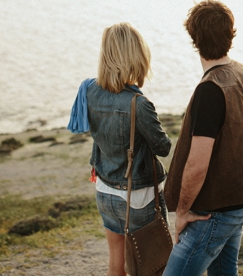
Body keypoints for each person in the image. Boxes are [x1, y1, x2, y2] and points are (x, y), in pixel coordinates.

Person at [163, 0, 243, 276]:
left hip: (214, 212)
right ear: (231, 35)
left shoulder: (210, 90)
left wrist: (182, 213)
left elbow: (197, 164)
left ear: (194, 39)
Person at [68, 23, 171, 276]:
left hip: (105, 191)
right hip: (138, 197)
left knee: (117, 261)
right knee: (152, 266)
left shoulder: (88, 90)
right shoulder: (139, 103)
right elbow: (164, 147)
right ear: (137, 56)